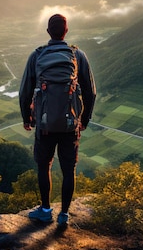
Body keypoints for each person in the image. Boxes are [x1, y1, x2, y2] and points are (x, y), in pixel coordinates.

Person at [19, 13, 96, 227]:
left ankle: (45, 210)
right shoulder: (77, 55)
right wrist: (84, 120)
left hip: (44, 125)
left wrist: (27, 118)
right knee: (68, 169)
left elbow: (25, 91)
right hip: (71, 124)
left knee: (44, 167)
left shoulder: (37, 56)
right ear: (66, 31)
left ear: (47, 32)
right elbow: (91, 92)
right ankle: (64, 215)